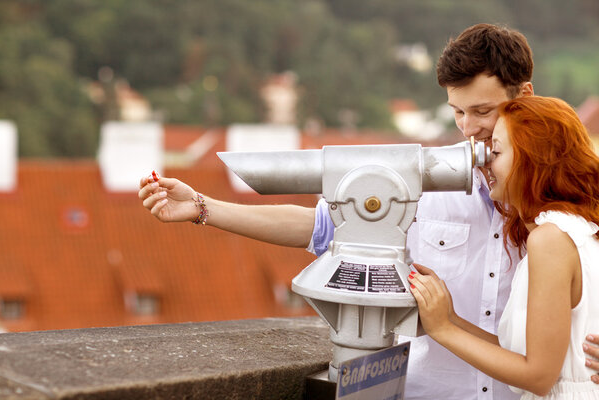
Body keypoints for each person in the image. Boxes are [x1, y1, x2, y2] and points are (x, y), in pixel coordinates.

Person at [138, 23, 599, 398]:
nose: (469, 129)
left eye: (483, 111)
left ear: (525, 96)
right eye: (457, 113)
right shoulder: (422, 179)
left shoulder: (559, 214)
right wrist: (203, 207)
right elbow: (320, 228)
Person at [409, 95, 599, 399]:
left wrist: (443, 330)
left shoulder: (549, 239)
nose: (485, 163)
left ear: (532, 157)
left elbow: (537, 376)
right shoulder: (577, 228)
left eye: (495, 151)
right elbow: (528, 355)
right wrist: (452, 318)